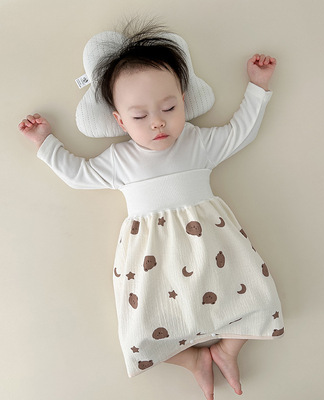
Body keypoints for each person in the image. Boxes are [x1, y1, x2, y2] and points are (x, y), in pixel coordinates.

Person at [18, 22, 284, 400]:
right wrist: (45, 143)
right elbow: (78, 174)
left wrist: (258, 86)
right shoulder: (120, 160)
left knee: (258, 298)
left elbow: (240, 131)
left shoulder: (197, 142)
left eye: (169, 108)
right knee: (140, 332)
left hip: (212, 249)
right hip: (150, 260)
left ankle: (227, 349)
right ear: (120, 121)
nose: (158, 121)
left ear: (184, 101)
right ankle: (193, 360)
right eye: (139, 117)